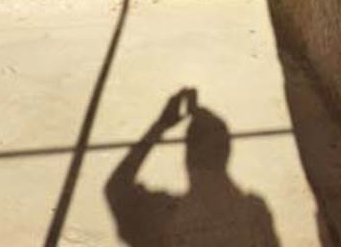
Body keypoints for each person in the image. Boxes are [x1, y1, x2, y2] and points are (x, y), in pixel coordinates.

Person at [105, 88, 279, 246]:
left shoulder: (166, 217)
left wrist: (160, 127)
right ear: (227, 151)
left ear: (187, 158)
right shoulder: (255, 215)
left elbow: (116, 188)